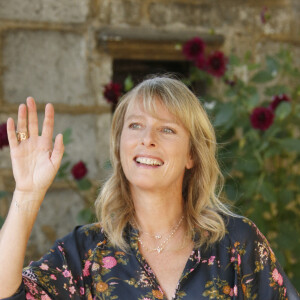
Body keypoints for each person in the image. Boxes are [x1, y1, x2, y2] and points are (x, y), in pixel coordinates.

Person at [0, 76, 299, 300]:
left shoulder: (238, 244)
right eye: (135, 125)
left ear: (192, 155)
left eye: (167, 129)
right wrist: (27, 194)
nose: (147, 138)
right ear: (119, 148)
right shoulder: (85, 253)